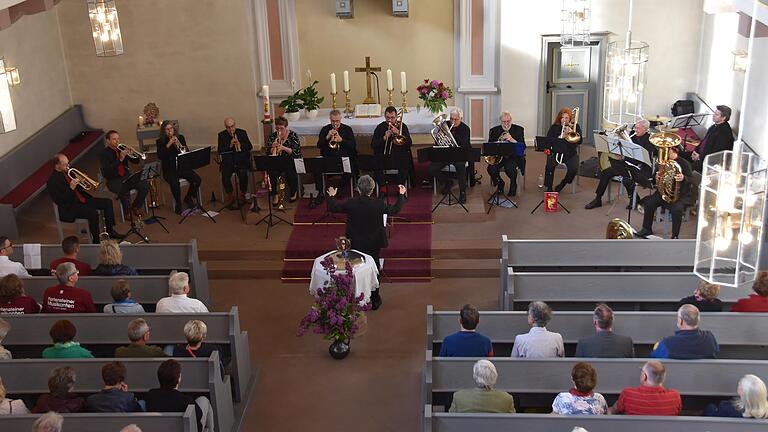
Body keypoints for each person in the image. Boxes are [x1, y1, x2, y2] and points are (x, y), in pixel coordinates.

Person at [326, 175, 406, 310]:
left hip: (355, 243)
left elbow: (334, 208)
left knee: (355, 269)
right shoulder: (378, 204)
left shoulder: (351, 203)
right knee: (373, 270)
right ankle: (375, 299)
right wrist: (401, 195)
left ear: (357, 188)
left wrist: (331, 196)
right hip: (373, 243)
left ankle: (356, 298)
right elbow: (395, 210)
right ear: (373, 189)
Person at [47, 154, 124, 243]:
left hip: (82, 199)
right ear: (57, 165)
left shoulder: (70, 172)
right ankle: (96, 241)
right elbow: (59, 200)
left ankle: (110, 232)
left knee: (107, 202)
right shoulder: (52, 181)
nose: (68, 166)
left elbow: (80, 189)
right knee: (93, 213)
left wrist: (81, 181)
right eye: (65, 165)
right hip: (70, 207)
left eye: (68, 163)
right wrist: (71, 188)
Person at [585, 119, 655, 209]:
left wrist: (624, 158)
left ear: (645, 129)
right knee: (606, 172)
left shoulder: (649, 141)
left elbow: (642, 159)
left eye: (638, 128)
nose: (635, 130)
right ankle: (598, 199)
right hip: (625, 164)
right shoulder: (632, 135)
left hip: (639, 167)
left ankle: (634, 199)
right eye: (635, 127)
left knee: (627, 179)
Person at [635, 145, 695, 239]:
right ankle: (646, 228)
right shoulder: (663, 161)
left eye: (667, 151)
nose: (664, 153)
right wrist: (657, 177)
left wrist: (684, 178)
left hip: (680, 194)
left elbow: (692, 180)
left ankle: (675, 235)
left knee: (676, 210)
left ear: (674, 150)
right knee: (649, 203)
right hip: (663, 192)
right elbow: (656, 174)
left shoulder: (684, 163)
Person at [143, 359, 213, 432]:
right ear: (178, 378)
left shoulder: (151, 395)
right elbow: (199, 417)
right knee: (204, 400)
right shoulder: (186, 401)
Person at [99, 130, 149, 220]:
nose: (117, 141)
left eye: (118, 139)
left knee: (144, 185)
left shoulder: (121, 148)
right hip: (113, 179)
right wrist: (120, 160)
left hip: (126, 175)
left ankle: (136, 206)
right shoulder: (103, 154)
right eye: (114, 139)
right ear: (108, 141)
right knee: (124, 189)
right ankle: (127, 212)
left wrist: (132, 154)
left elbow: (136, 162)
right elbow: (107, 171)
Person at [312, 109, 357, 206]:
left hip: (343, 158)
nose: (335, 123)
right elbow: (319, 145)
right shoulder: (325, 129)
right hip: (328, 158)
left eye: (337, 121)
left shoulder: (347, 129)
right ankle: (320, 193)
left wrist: (341, 140)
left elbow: (353, 145)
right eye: (333, 121)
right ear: (330, 119)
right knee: (316, 167)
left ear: (340, 119)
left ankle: (339, 189)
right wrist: (327, 137)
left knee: (352, 167)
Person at [156, 120, 202, 214]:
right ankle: (178, 203)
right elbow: (160, 155)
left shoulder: (180, 137)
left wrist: (181, 146)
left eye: (171, 129)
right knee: (175, 183)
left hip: (182, 167)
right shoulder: (160, 141)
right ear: (163, 131)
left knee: (197, 180)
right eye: (167, 129)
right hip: (169, 169)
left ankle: (188, 197)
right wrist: (169, 144)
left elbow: (186, 151)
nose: (169, 131)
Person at [429, 108, 474, 204]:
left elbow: (464, 145)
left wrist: (453, 142)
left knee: (460, 167)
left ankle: (462, 193)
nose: (453, 121)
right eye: (451, 119)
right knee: (432, 169)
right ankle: (446, 183)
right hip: (445, 154)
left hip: (458, 155)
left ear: (461, 118)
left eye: (456, 119)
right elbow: (438, 142)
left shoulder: (465, 129)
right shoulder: (445, 125)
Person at [610, 360, 681, 415]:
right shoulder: (675, 396)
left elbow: (613, 411)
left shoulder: (627, 394)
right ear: (663, 378)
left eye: (641, 371)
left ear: (644, 376)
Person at [650, 304, 719, 359]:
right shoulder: (710, 338)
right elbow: (716, 353)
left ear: (681, 321)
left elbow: (653, 356)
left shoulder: (667, 343)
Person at [371, 105, 413, 191]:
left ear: (396, 117)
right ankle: (383, 189)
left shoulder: (402, 126)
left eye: (392, 118)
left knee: (405, 161)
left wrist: (398, 133)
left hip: (399, 157)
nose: (390, 120)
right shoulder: (380, 127)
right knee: (376, 161)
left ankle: (400, 189)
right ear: (384, 116)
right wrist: (384, 138)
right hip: (384, 156)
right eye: (387, 117)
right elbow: (373, 145)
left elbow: (409, 143)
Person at [449, 359, 515, 413]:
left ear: (475, 376)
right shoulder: (507, 399)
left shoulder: (458, 397)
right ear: (494, 376)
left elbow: (450, 422)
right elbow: (513, 424)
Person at [217, 117, 253, 209]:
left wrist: (240, 145)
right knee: (225, 176)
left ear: (235, 125)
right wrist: (230, 145)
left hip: (241, 160)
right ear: (225, 127)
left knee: (242, 173)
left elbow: (249, 146)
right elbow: (220, 150)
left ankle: (243, 193)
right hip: (228, 162)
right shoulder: (222, 135)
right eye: (228, 127)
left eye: (232, 126)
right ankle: (230, 195)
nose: (231, 129)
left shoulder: (242, 133)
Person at [487, 111, 525, 196]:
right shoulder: (494, 130)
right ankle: (500, 183)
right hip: (499, 157)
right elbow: (489, 146)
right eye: (504, 122)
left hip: (513, 156)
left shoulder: (518, 130)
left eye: (508, 121)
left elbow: (522, 147)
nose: (506, 124)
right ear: (501, 121)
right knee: (491, 169)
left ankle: (513, 184)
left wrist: (512, 139)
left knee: (510, 169)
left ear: (511, 120)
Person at [265, 116, 302, 204]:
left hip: (291, 160)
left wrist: (283, 148)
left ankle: (294, 191)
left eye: (281, 128)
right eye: (277, 128)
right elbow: (267, 152)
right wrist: (272, 148)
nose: (279, 131)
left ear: (286, 127)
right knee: (272, 172)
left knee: (290, 171)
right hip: (277, 161)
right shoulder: (273, 136)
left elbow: (296, 152)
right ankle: (275, 194)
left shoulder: (293, 135)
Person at [544, 107, 582, 192]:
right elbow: (548, 140)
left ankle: (564, 183)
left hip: (570, 153)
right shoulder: (554, 127)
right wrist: (561, 137)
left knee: (574, 169)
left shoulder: (576, 126)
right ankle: (548, 187)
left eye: (566, 118)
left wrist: (571, 133)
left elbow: (580, 141)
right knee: (549, 166)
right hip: (555, 152)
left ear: (570, 118)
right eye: (562, 117)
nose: (564, 120)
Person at [687, 105, 734, 172]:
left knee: (685, 168)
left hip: (707, 163)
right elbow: (704, 141)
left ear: (723, 118)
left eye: (716, 114)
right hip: (700, 155)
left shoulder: (724, 134)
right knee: (679, 155)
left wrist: (699, 157)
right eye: (714, 113)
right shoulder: (714, 126)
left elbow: (716, 155)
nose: (713, 115)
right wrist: (695, 151)